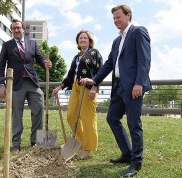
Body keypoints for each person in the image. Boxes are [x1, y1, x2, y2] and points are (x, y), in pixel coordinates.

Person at [80, 5, 151, 177]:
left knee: (134, 124)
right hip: (118, 86)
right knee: (112, 118)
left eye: (118, 17)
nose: (116, 21)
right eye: (114, 19)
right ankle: (127, 154)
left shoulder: (138, 32)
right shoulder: (116, 41)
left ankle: (136, 163)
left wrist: (139, 83)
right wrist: (94, 81)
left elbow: (144, 60)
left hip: (133, 86)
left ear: (129, 16)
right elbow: (109, 64)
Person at [0, 19, 52, 154]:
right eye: (13, 28)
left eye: (18, 28)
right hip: (16, 85)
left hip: (32, 83)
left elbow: (40, 59)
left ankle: (36, 142)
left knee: (39, 109)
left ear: (23, 29)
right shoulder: (7, 45)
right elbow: (1, 65)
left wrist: (46, 63)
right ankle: (16, 144)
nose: (16, 30)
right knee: (17, 114)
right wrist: (1, 85)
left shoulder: (32, 44)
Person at [52, 30, 103, 159]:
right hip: (75, 86)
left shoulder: (94, 53)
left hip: (88, 87)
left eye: (85, 38)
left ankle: (88, 147)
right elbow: (70, 76)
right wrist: (59, 87)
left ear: (89, 41)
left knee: (87, 118)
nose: (83, 40)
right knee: (71, 115)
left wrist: (94, 87)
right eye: (80, 38)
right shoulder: (76, 57)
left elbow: (100, 71)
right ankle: (79, 141)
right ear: (78, 41)